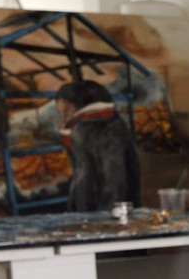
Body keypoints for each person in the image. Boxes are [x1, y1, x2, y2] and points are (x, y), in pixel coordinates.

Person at [56, 80, 140, 212]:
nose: (60, 116)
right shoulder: (109, 124)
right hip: (101, 212)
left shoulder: (93, 129)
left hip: (102, 215)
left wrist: (102, 217)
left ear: (70, 105)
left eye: (61, 109)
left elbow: (114, 180)